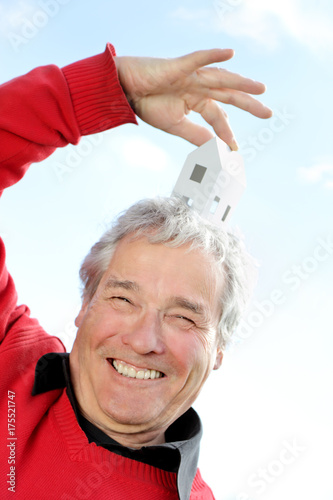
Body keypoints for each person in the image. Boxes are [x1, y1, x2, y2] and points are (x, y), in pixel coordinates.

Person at [0, 43, 272, 499]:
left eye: (184, 317)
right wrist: (108, 89)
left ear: (218, 349)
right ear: (85, 305)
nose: (145, 341)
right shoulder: (11, 359)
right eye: (124, 299)